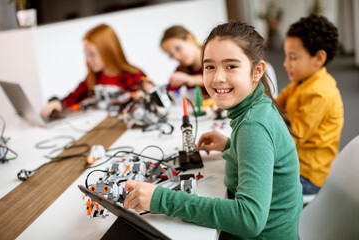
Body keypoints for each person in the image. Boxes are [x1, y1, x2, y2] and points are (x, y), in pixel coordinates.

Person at [123, 21, 302, 239]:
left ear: (257, 71)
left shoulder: (254, 126)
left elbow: (249, 219)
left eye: (231, 66)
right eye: (210, 67)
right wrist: (230, 146)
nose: (217, 77)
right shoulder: (256, 110)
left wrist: (162, 199)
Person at [276, 14, 344, 200]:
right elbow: (275, 103)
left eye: (293, 57)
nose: (285, 63)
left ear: (319, 58)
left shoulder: (319, 94)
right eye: (286, 56)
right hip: (297, 163)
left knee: (253, 185)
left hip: (308, 175)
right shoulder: (302, 81)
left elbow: (291, 139)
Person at [41, 23, 151, 117]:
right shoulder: (92, 79)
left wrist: (146, 93)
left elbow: (149, 93)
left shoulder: (135, 76)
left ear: (108, 51)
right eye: (86, 54)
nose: (88, 60)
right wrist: (57, 103)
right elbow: (71, 99)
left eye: (92, 54)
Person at [160, 25, 208, 97]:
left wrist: (192, 80)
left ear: (190, 39)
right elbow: (169, 91)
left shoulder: (215, 58)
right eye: (171, 55)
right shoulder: (181, 69)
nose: (176, 57)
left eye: (177, 48)